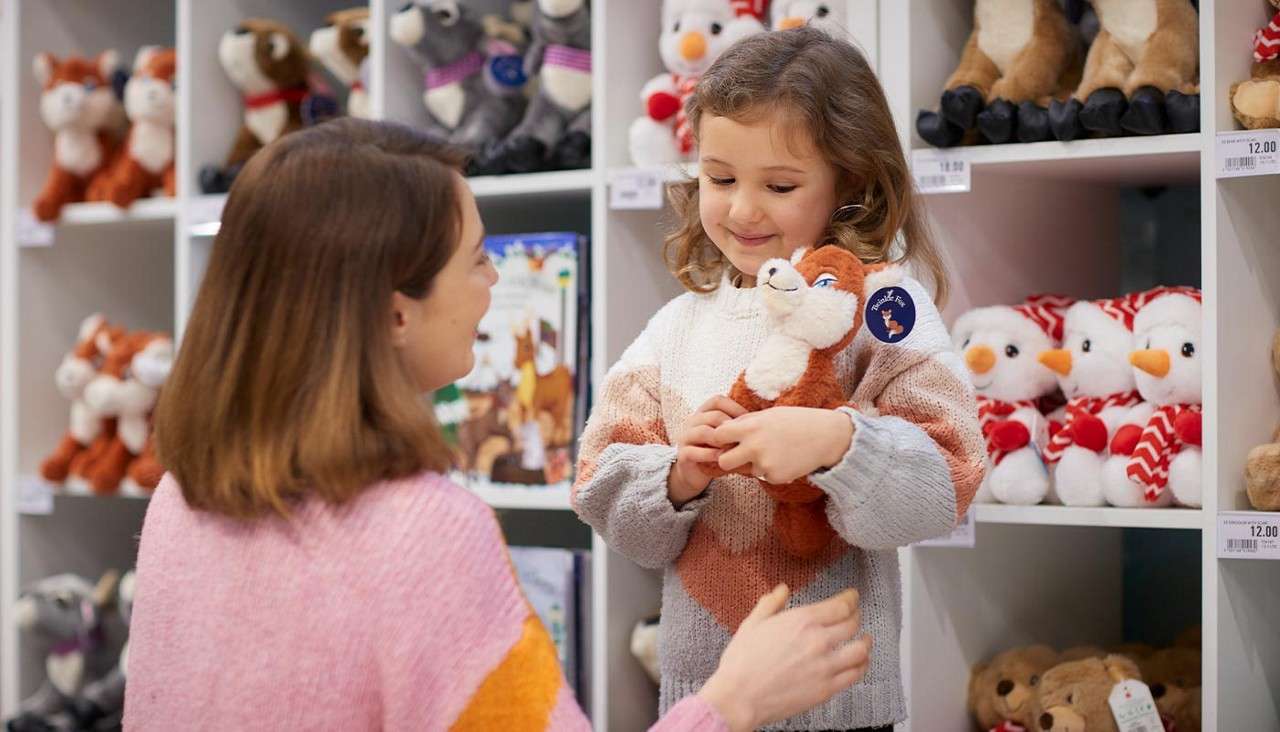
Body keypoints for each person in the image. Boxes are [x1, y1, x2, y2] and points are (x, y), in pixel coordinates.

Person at [121, 118, 872, 731]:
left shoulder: (180, 501)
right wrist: (733, 702)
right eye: (477, 259)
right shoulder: (422, 533)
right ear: (395, 314)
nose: (495, 281)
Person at [571, 27, 986, 731]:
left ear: (850, 181)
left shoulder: (884, 307)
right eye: (719, 178)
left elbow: (950, 478)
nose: (741, 210)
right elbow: (599, 488)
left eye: (780, 185)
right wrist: (678, 475)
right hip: (707, 706)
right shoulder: (676, 327)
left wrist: (838, 443)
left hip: (845, 710)